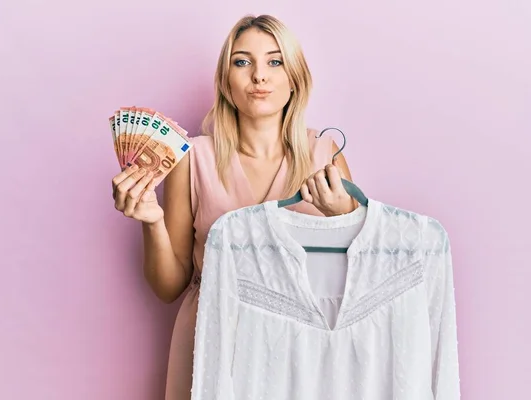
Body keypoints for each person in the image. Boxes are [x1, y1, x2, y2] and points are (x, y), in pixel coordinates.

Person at [111, 14, 359, 400]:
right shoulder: (191, 159)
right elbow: (168, 287)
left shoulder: (326, 157)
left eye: (275, 61)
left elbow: (365, 276)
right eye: (242, 62)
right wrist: (153, 222)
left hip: (303, 348)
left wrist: (346, 216)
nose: (259, 75)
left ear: (294, 78)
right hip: (213, 339)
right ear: (226, 82)